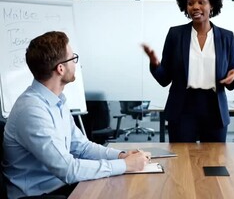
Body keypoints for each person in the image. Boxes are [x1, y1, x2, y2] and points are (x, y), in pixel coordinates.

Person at [2, 31, 150, 199]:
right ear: (60, 68)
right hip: (38, 195)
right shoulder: (32, 111)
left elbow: (81, 147)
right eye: (73, 58)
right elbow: (69, 170)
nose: (76, 64)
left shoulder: (56, 101)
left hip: (59, 186)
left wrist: (120, 156)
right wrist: (125, 165)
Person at [142, 0, 234, 142]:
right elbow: (165, 79)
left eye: (201, 2)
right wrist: (155, 63)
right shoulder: (175, 35)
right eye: (190, 2)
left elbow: (232, 75)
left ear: (212, 4)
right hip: (183, 107)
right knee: (181, 161)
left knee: (215, 162)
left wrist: (232, 79)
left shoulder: (226, 37)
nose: (195, 7)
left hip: (214, 108)